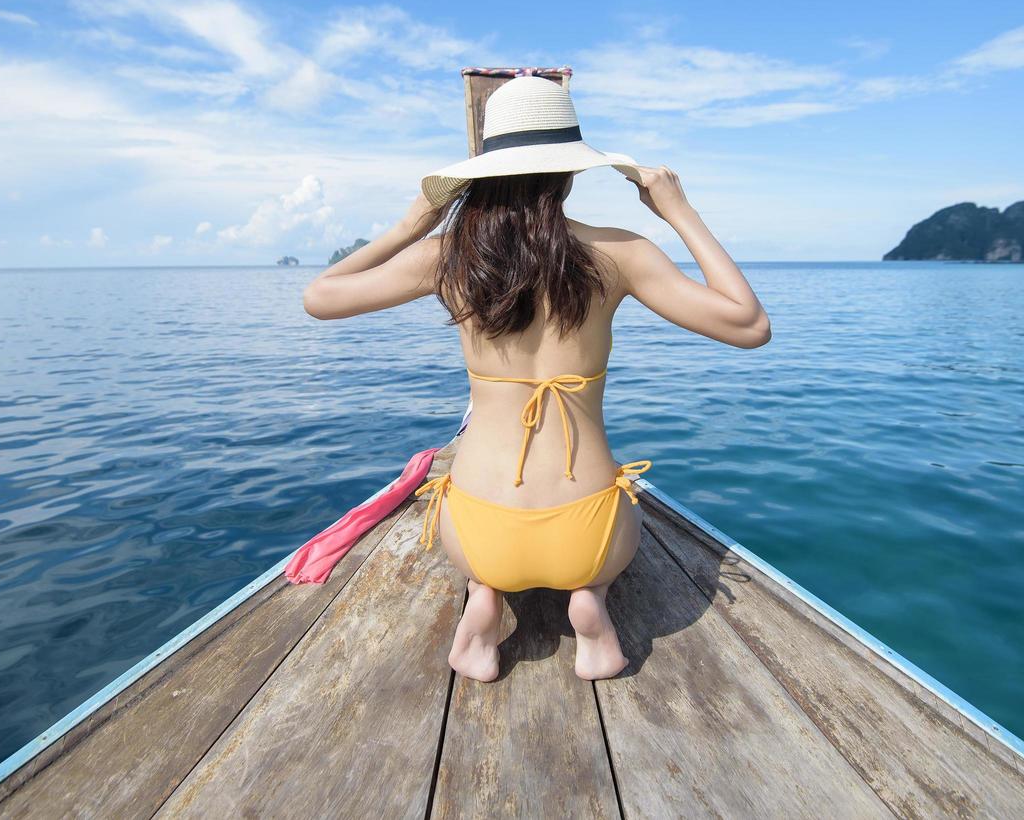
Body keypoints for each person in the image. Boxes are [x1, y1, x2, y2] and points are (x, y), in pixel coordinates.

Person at [303, 75, 770, 683]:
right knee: (617, 524)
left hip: (481, 533)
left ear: (484, 172)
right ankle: (591, 603)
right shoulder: (622, 252)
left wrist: (408, 228)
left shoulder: (449, 257)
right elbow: (749, 325)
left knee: (479, 545)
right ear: (570, 174)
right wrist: (678, 211)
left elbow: (319, 297)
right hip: (589, 533)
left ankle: (485, 600)